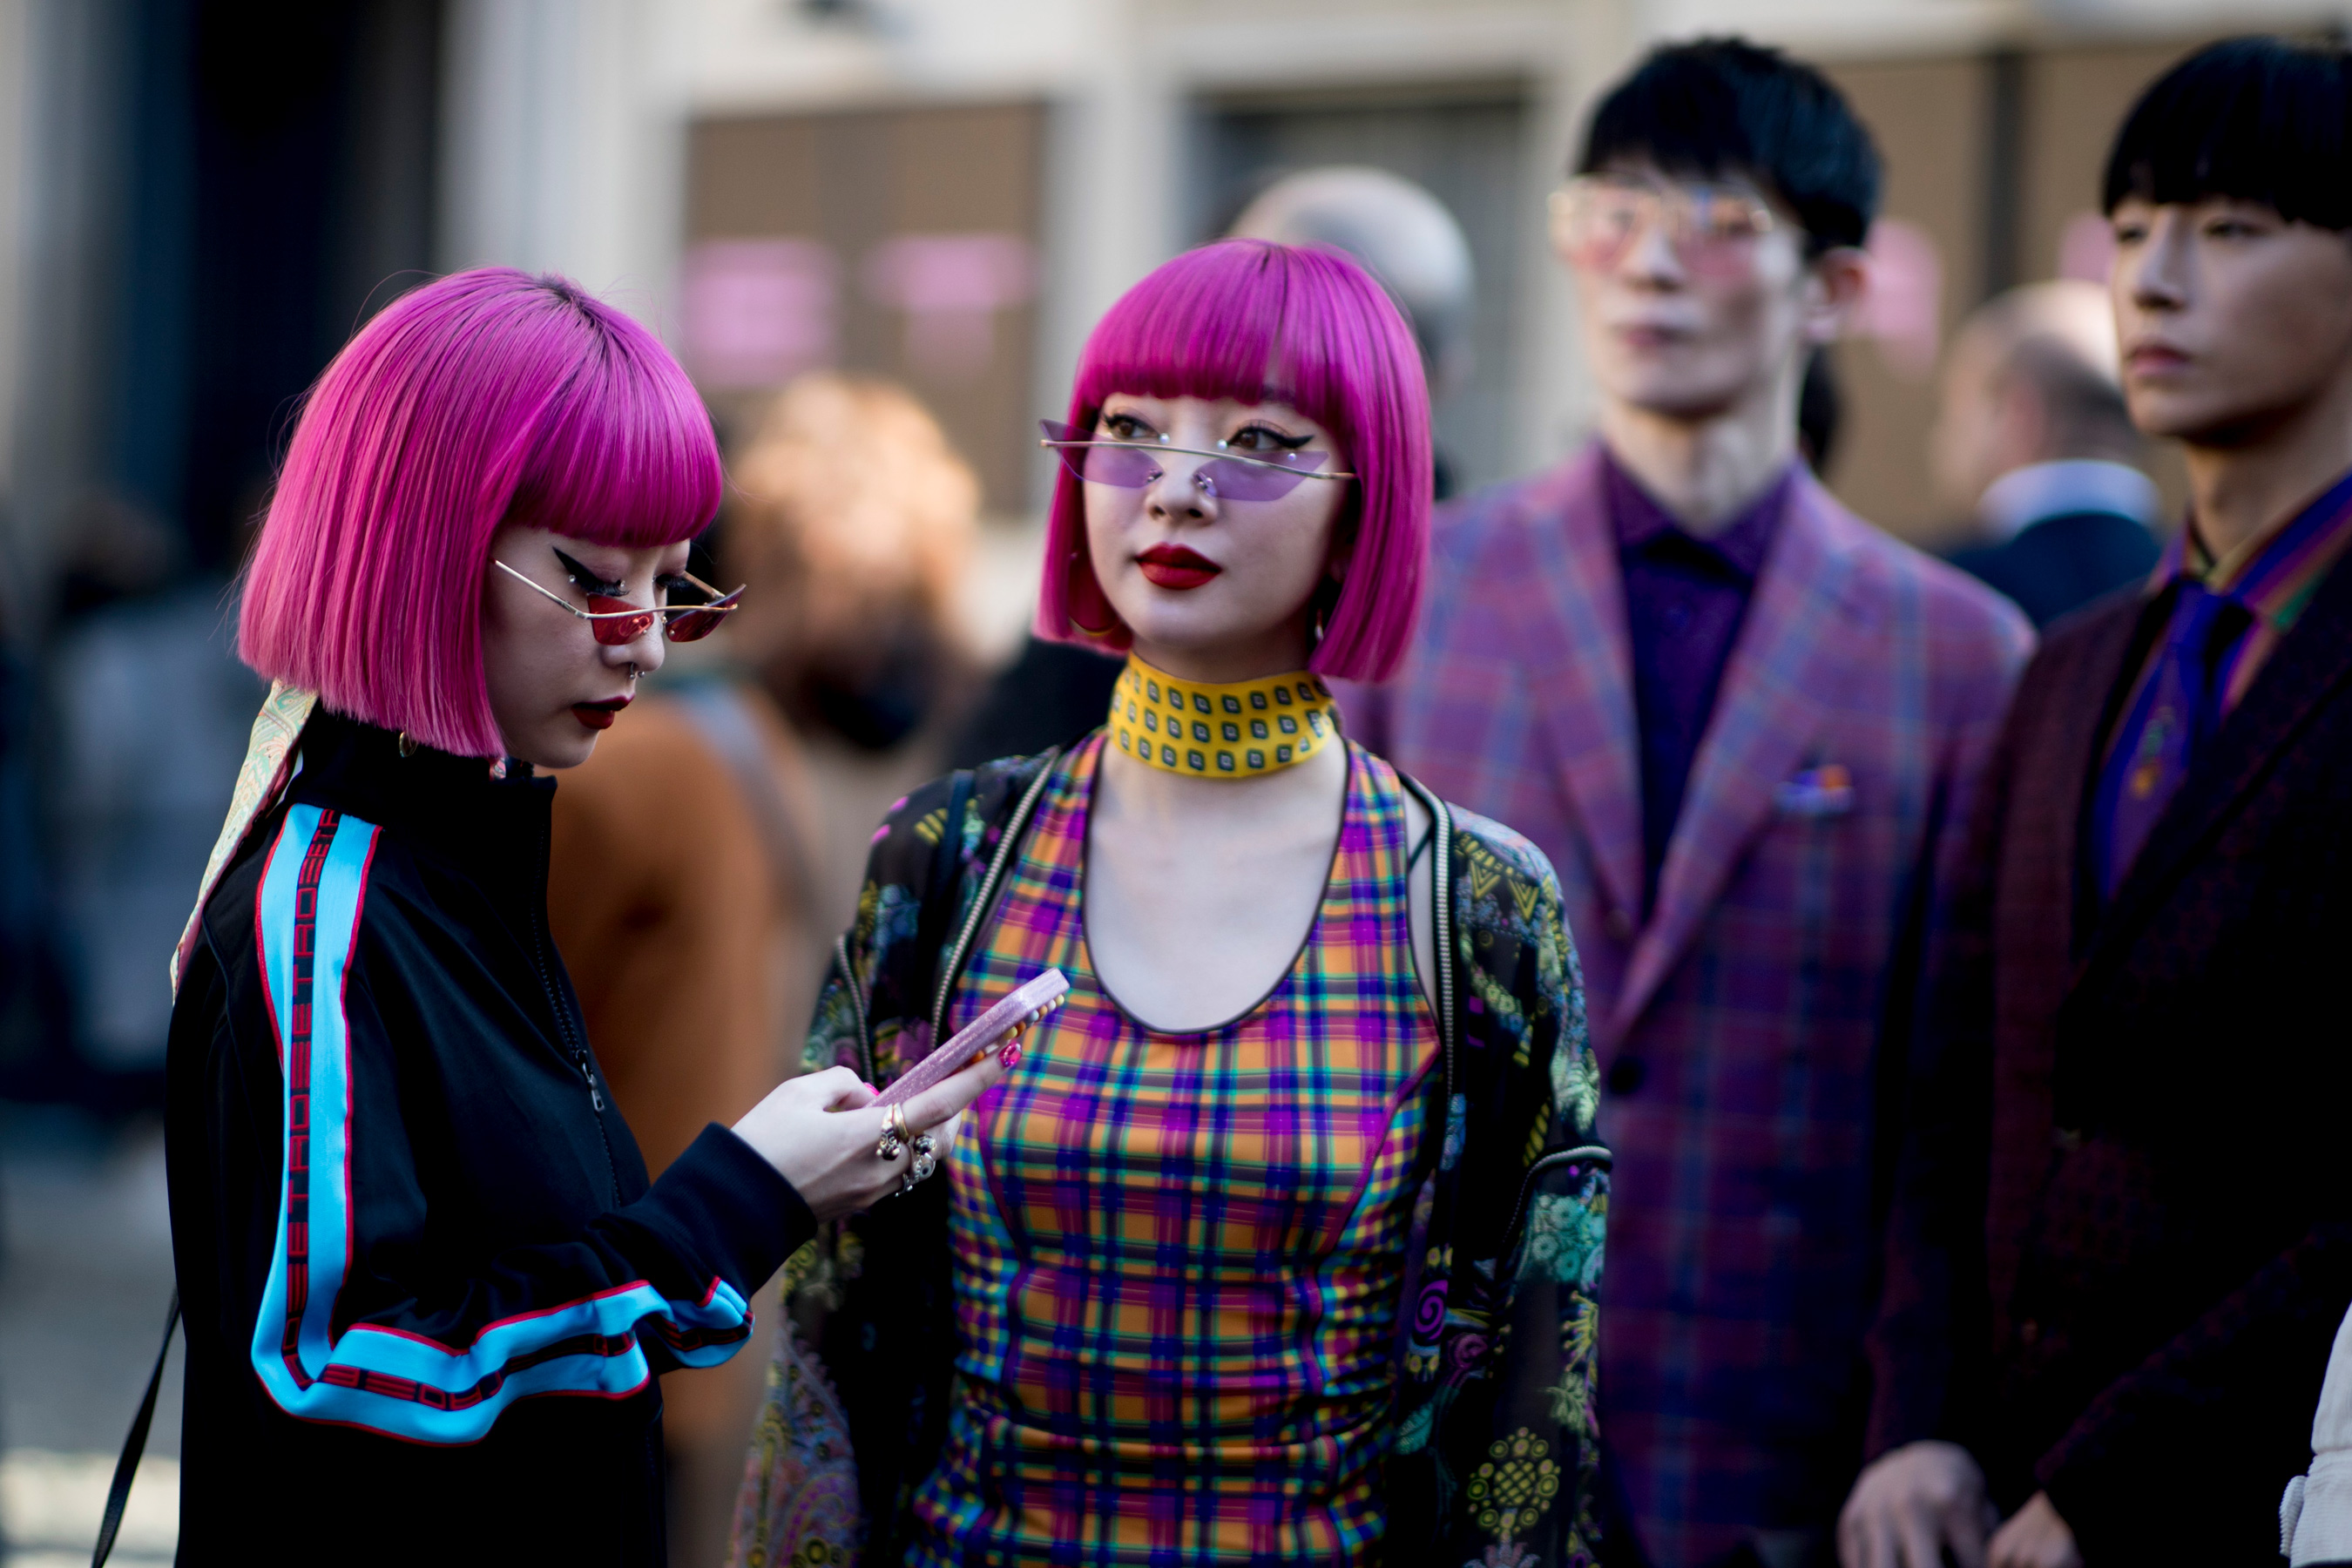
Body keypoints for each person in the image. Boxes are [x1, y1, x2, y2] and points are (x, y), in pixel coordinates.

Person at [729, 239, 1608, 1568]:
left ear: (1367, 505)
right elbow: (827, 1352)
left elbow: (1535, 1415)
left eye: (1257, 442)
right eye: (1128, 434)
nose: (1176, 491)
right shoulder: (950, 855)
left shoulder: (1476, 908)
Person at [160, 268, 1008, 1565]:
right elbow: (337, 1368)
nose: (648, 641)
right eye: (594, 579)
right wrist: (735, 1205)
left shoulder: (473, 842)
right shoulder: (319, 908)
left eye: (672, 584)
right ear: (424, 546)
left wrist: (763, 1188)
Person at [1342, 39, 2033, 1566]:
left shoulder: (1960, 656)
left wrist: (1928, 1418)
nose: (1646, 264)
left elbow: (1961, 1097)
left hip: (1789, 1450)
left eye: (1715, 220)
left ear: (1833, 288)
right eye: (1608, 212)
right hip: (1442, 1435)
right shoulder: (1418, 596)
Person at [1845, 36, 2352, 1568]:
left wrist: (2122, 1477)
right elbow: (1961, 1091)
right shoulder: (2063, 672)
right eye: (2133, 231)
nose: (2158, 278)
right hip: (1979, 1505)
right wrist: (1914, 1422)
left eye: (2232, 229)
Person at [1937, 281, 2162, 626]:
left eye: (1958, 413)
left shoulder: (1944, 593)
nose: (1940, 440)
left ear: (2021, 414)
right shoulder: (2218, 590)